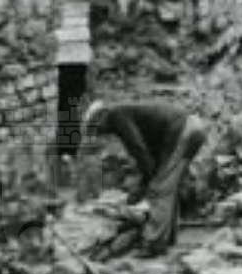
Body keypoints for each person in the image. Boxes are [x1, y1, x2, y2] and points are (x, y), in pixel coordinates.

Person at [80, 96, 207, 253]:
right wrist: (145, 182)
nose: (100, 133)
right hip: (193, 128)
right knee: (168, 186)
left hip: (183, 131)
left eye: (96, 128)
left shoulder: (116, 115)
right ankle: (168, 238)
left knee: (159, 188)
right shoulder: (130, 114)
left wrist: (146, 182)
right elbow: (150, 153)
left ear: (100, 116)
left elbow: (138, 148)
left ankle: (154, 243)